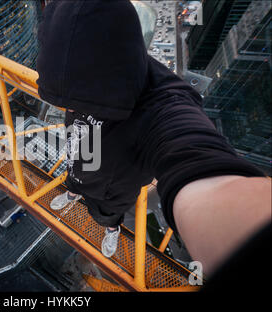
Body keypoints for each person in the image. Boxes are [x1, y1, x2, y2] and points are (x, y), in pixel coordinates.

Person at [36, 0, 271, 282]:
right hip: (81, 163)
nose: (71, 110)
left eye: (77, 102)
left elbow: (198, 160)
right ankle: (73, 192)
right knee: (74, 179)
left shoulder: (161, 104)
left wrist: (222, 203)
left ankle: (112, 231)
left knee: (109, 216)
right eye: (65, 103)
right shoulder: (83, 71)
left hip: (113, 192)